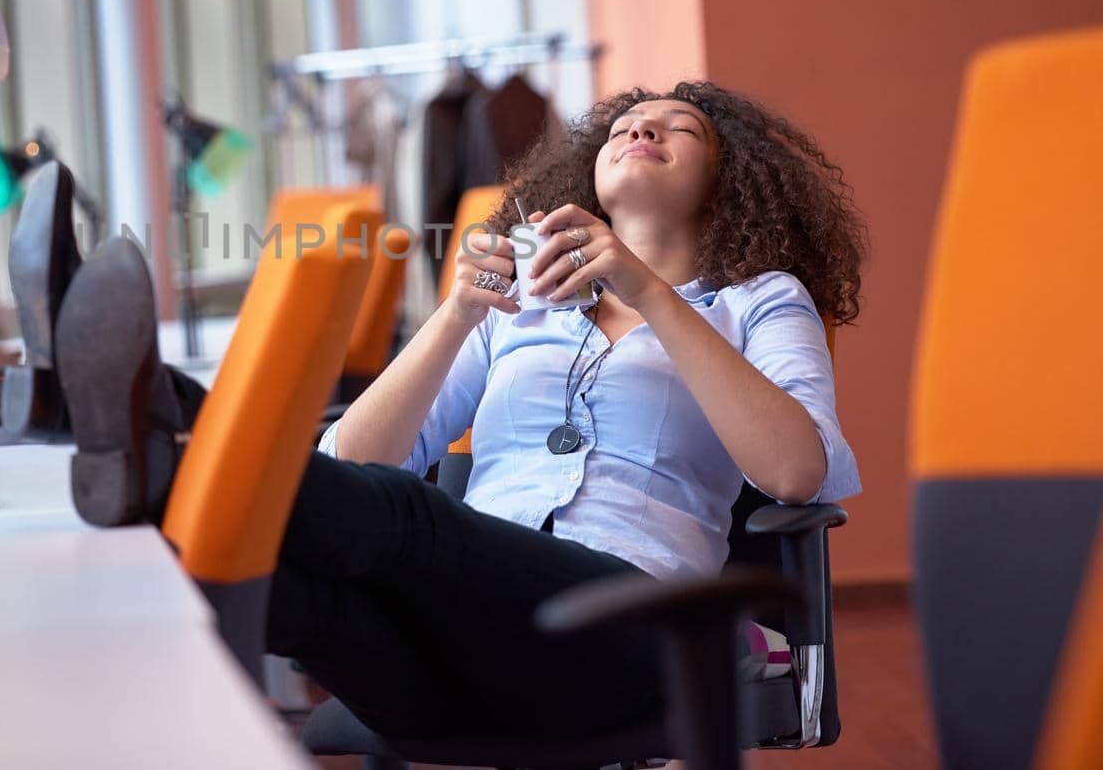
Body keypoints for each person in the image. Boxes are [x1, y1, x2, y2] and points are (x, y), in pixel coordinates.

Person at [53, 81, 867, 743]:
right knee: (292, 598)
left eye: (676, 129)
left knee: (412, 519)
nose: (639, 130)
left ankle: (178, 441)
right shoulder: (526, 307)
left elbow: (797, 470)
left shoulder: (757, 302)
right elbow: (349, 467)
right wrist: (458, 315)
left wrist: (646, 289)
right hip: (461, 651)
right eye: (624, 124)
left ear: (729, 182)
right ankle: (161, 467)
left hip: (636, 628)